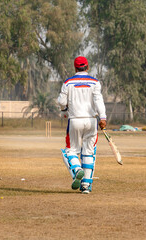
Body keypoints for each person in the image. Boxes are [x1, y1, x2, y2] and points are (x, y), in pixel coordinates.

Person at [58, 56, 107, 194]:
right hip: (91, 120)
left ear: (75, 67)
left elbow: (61, 102)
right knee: (89, 152)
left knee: (71, 150)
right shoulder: (95, 82)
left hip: (75, 120)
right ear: (88, 66)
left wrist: (64, 109)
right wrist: (103, 117)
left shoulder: (68, 83)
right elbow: (99, 100)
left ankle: (77, 168)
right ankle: (86, 185)